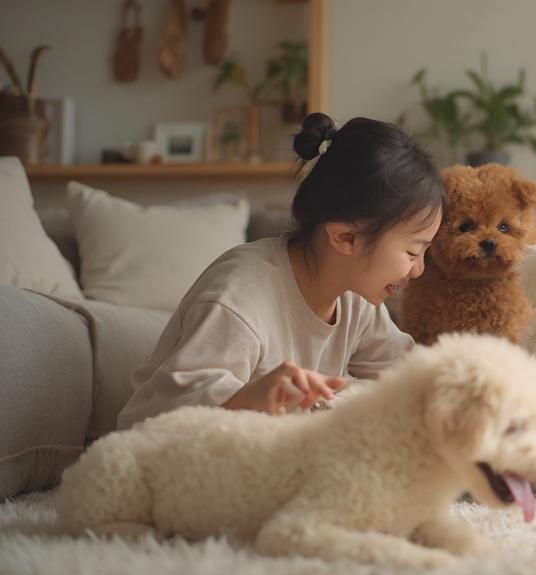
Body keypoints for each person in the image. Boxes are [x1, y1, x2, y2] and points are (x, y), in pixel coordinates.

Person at [118, 114, 444, 429]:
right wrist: (250, 398)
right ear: (346, 238)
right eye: (412, 252)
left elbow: (409, 377)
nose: (419, 269)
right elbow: (169, 415)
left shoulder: (355, 298)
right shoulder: (239, 297)